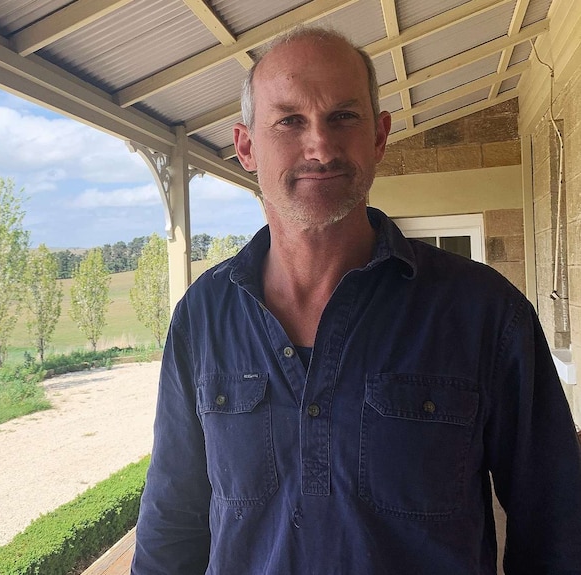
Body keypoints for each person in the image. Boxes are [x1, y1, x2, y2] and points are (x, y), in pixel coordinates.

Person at [131, 26, 581, 574]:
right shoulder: (203, 318)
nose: (320, 146)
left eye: (344, 117)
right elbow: (172, 525)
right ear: (246, 146)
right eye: (290, 121)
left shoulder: (485, 314)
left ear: (380, 135)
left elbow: (558, 524)